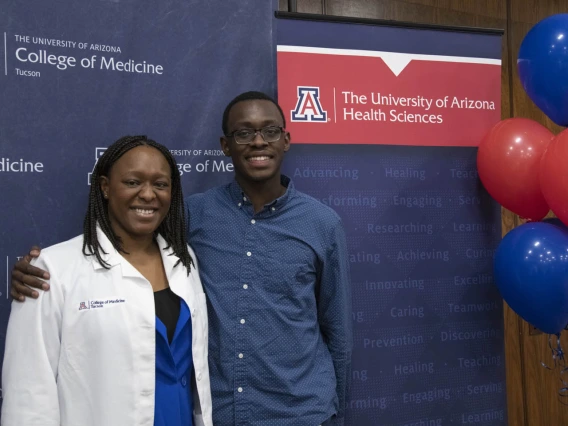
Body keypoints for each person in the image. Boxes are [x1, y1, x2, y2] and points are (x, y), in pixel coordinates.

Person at [10, 92, 353, 426]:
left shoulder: (322, 224)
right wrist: (35, 271)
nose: (258, 141)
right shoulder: (194, 216)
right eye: (244, 133)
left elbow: (337, 330)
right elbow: (121, 248)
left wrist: (337, 411)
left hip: (300, 411)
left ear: (286, 140)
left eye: (270, 131)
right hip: (221, 411)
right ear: (225, 146)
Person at [3, 136, 212, 426]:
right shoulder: (53, 269)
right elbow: (28, 391)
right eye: (132, 182)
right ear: (104, 187)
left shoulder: (183, 259)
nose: (148, 195)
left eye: (160, 184)